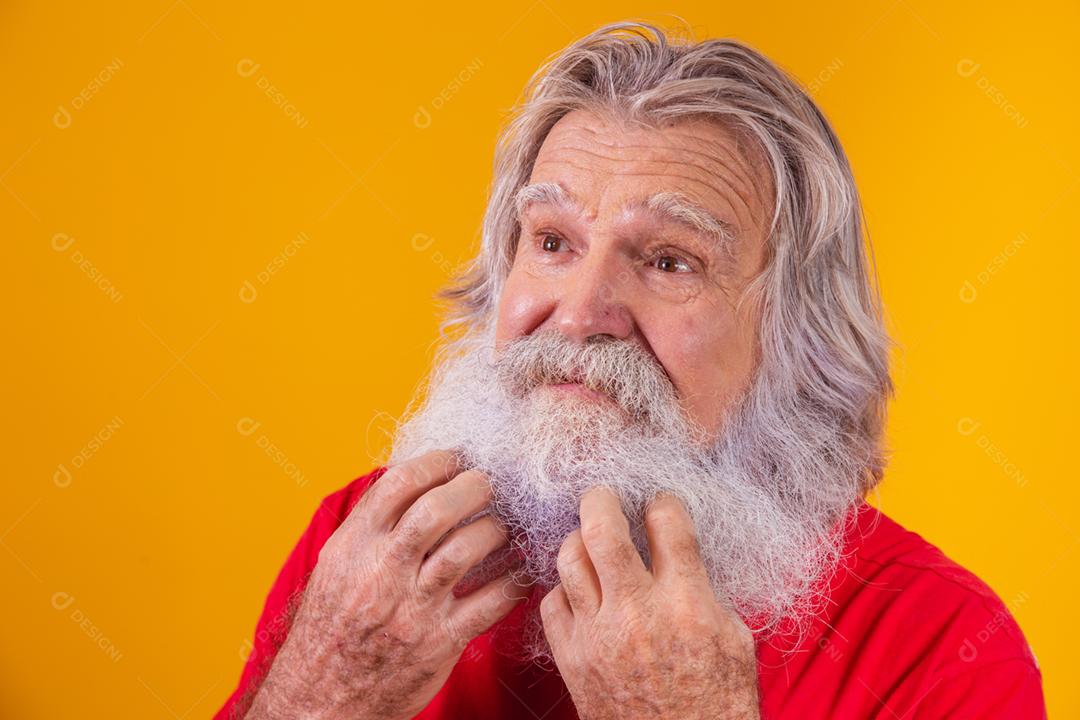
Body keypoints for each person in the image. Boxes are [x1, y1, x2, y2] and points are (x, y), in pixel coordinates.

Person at [215, 21, 1045, 719]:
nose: (579, 314)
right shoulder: (372, 546)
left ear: (796, 332)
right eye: (552, 243)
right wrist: (316, 692)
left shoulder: (936, 645)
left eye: (670, 260)